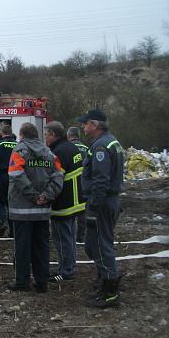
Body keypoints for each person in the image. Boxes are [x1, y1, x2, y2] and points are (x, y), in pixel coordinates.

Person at [7, 123, 63, 293]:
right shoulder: (50, 154)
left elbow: (16, 174)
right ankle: (42, 281)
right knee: (42, 246)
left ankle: (22, 282)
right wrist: (46, 195)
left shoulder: (19, 151)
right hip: (42, 211)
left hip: (21, 209)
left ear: (22, 135)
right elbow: (59, 176)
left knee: (22, 247)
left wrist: (32, 195)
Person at [78, 109, 125, 308]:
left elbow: (100, 180)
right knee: (94, 244)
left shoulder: (101, 146)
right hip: (108, 201)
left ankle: (110, 291)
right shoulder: (111, 142)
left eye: (85, 123)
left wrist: (93, 209)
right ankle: (106, 279)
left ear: (94, 125)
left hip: (102, 203)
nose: (83, 126)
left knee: (99, 244)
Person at [45, 121, 85, 282]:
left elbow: (56, 179)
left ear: (54, 135)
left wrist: (45, 196)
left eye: (46, 134)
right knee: (69, 238)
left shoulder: (59, 152)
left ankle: (65, 271)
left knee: (62, 239)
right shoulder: (71, 147)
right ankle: (70, 267)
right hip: (75, 201)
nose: (45, 137)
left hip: (64, 203)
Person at [67, 126, 89, 244]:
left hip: (70, 183)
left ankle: (70, 235)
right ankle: (81, 235)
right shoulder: (87, 148)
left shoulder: (68, 147)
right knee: (82, 210)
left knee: (69, 212)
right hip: (84, 183)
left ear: (69, 135)